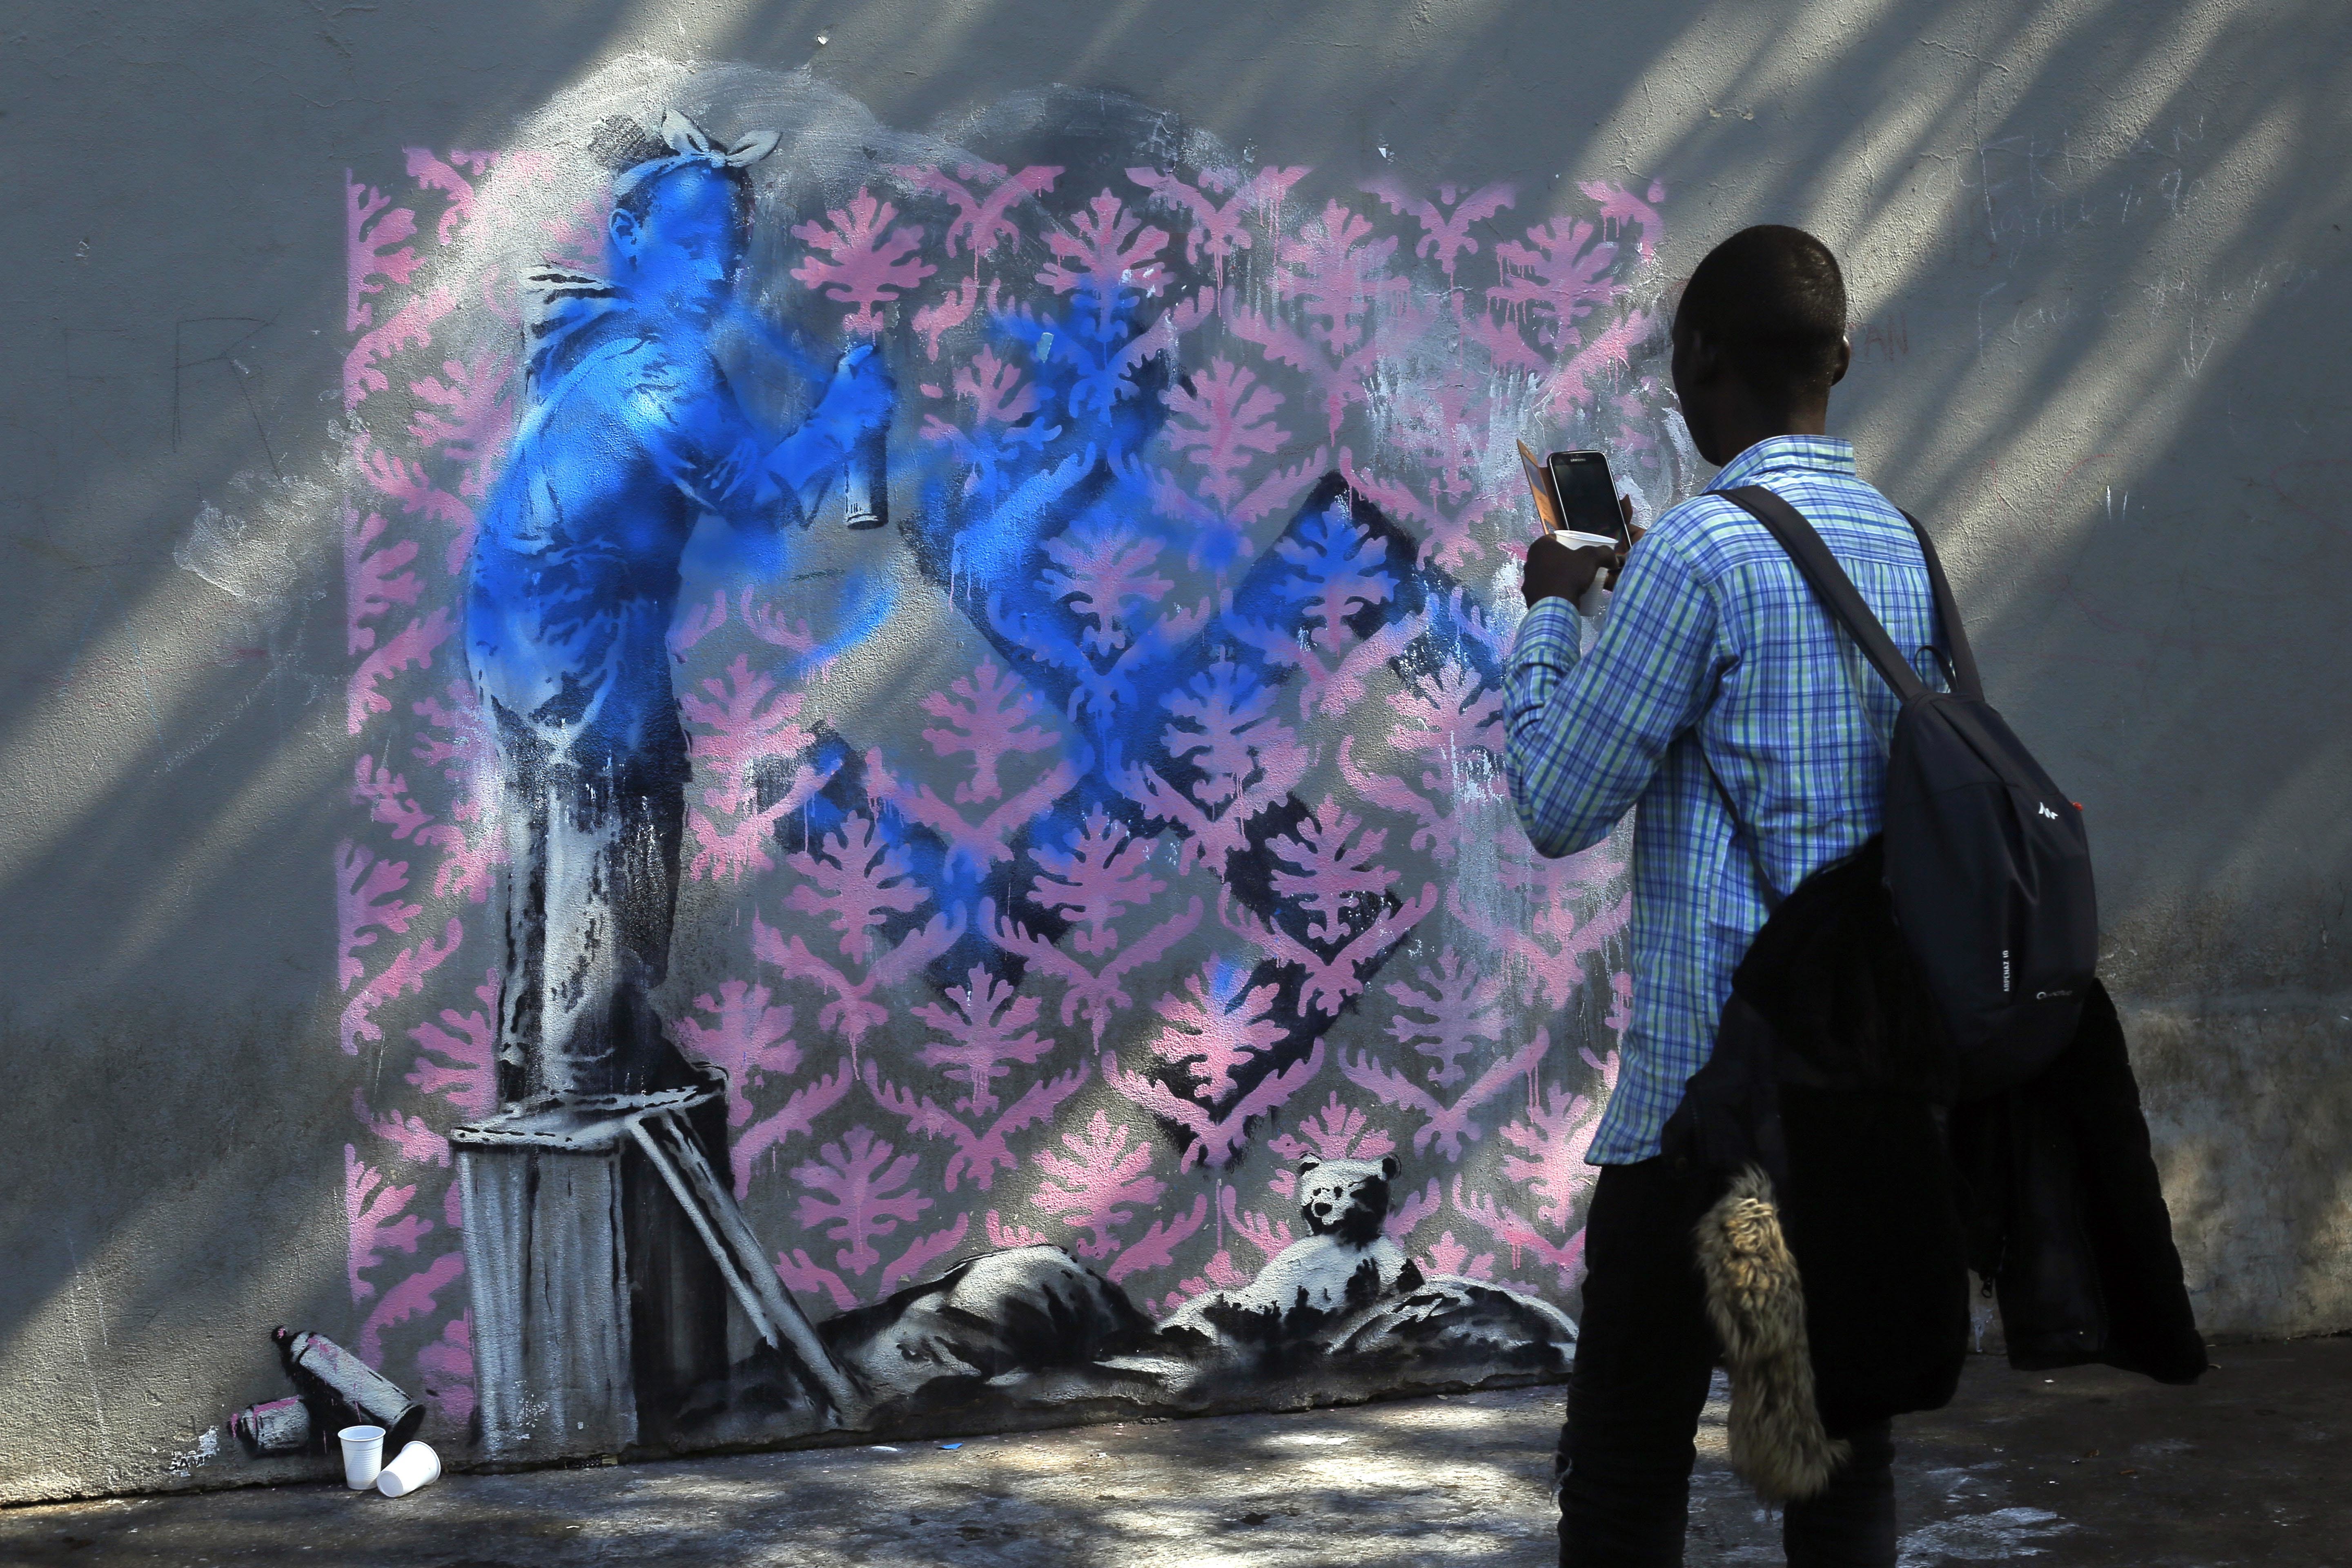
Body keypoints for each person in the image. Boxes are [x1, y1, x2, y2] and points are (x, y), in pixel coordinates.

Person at [1503, 225, 1949, 1568]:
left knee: (1630, 1473)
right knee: (1826, 1471)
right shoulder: (1900, 547)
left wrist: (1554, 610)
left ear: (1698, 364)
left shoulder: (1696, 555)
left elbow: (1560, 801)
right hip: (1854, 1114)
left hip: (1705, 1127)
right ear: (1842, 362)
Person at [466, 112, 893, 1107]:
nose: (718, 271)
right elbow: (758, 499)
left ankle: (540, 1054)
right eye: (693, 245)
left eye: (732, 250)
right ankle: (597, 1063)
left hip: (521, 633)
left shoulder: (594, 342)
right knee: (622, 823)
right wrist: (842, 418)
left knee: (550, 837)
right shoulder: (660, 363)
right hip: (589, 634)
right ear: (630, 237)